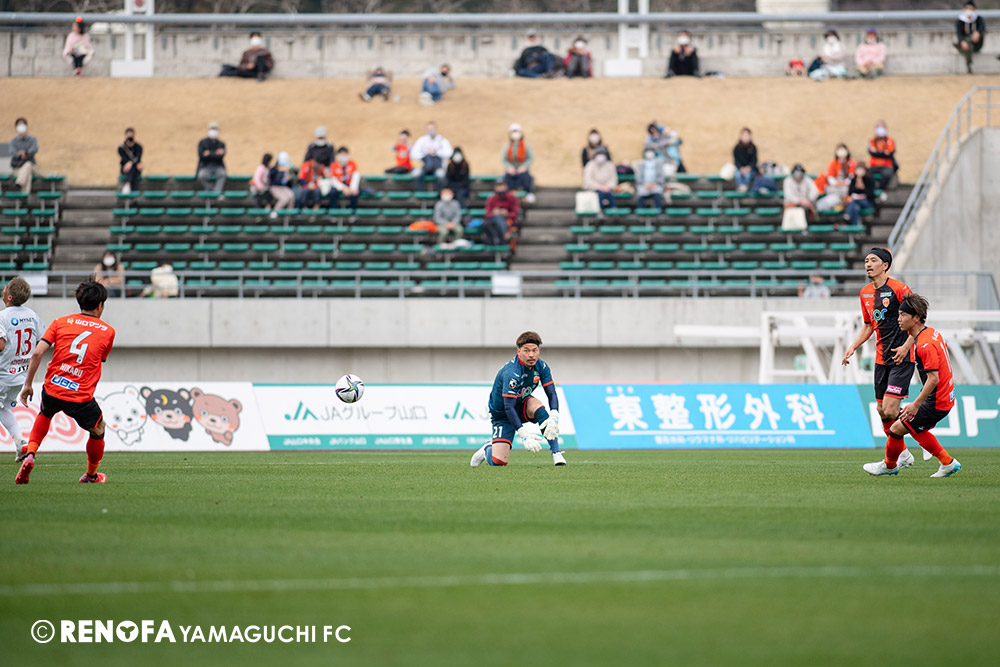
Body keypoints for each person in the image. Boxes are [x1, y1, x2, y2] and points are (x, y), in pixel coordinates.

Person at [15, 280, 115, 485]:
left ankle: (31, 454)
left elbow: (37, 353)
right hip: (79, 397)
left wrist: (28, 385)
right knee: (99, 429)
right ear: (100, 305)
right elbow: (94, 359)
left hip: (53, 387)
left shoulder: (60, 322)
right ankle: (91, 475)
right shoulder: (108, 331)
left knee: (45, 413)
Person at [864, 293, 962, 478]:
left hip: (937, 401)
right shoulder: (932, 333)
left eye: (902, 315)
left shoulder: (924, 345)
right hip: (943, 397)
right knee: (912, 427)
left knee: (895, 430)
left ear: (916, 317)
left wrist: (916, 404)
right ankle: (947, 462)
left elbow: (933, 379)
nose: (898, 319)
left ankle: (890, 466)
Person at [842, 248, 917, 452]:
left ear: (885, 265)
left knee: (891, 410)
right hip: (881, 358)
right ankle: (902, 453)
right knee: (882, 410)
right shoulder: (865, 292)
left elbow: (919, 320)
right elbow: (868, 326)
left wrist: (906, 346)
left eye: (873, 260)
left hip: (901, 357)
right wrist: (853, 346)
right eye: (866, 260)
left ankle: (923, 434)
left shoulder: (900, 289)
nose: (868, 264)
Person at [470, 331, 566, 468]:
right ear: (518, 351)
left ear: (539, 351)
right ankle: (487, 450)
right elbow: (508, 407)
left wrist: (554, 416)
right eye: (526, 350)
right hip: (502, 413)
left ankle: (556, 453)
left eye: (534, 350)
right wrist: (524, 434)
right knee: (498, 462)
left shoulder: (542, 366)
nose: (531, 355)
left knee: (538, 407)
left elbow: (551, 393)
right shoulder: (512, 372)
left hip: (522, 404)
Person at [0, 277, 43, 460]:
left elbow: (1, 345)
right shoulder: (32, 315)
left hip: (3, 373)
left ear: (9, 296)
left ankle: (20, 443)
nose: (3, 290)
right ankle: (20, 443)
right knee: (3, 409)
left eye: (6, 288)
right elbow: (42, 342)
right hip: (21, 375)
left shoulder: (2, 317)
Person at [502, 123, 536, 204]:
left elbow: (530, 158)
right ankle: (510, 195)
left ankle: (527, 194)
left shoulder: (526, 146)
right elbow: (504, 160)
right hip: (511, 170)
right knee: (508, 178)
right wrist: (509, 167)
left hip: (522, 170)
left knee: (525, 177)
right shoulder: (506, 146)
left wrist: (524, 167)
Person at [815, 143, 856, 211]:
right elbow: (830, 176)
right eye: (840, 150)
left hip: (846, 188)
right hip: (835, 188)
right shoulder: (834, 163)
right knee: (825, 201)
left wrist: (844, 183)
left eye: (843, 150)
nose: (842, 152)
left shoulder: (851, 162)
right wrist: (836, 183)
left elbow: (852, 176)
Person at [484, 181, 520, 247]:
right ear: (495, 188)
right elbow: (487, 214)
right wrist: (494, 213)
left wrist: (507, 214)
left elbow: (516, 213)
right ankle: (504, 234)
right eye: (499, 186)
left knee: (499, 218)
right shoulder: (491, 198)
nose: (501, 188)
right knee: (495, 218)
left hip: (509, 222)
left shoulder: (512, 197)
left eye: (502, 185)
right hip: (493, 223)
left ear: (506, 187)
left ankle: (504, 236)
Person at [196, 122, 227, 197]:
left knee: (223, 174)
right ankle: (210, 190)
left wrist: (209, 153)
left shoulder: (221, 143)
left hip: (217, 166)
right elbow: (202, 156)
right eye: (212, 129)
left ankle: (216, 193)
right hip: (205, 166)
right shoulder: (202, 142)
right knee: (201, 175)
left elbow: (220, 156)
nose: (213, 131)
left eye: (215, 129)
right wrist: (215, 153)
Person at [955, 2, 986, 74]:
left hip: (976, 43)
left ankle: (969, 65)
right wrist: (962, 41)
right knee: (968, 44)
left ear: (974, 9)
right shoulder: (960, 20)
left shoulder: (978, 19)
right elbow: (959, 33)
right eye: (967, 8)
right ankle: (969, 65)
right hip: (966, 44)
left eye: (970, 8)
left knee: (970, 41)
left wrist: (977, 32)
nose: (968, 10)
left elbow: (982, 27)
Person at [10, 117, 39, 194]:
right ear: (16, 127)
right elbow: (12, 152)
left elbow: (34, 149)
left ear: (26, 126)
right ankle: (24, 197)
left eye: (22, 125)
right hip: (19, 167)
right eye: (19, 125)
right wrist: (20, 154)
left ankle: (19, 184)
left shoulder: (32, 139)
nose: (21, 127)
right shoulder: (13, 141)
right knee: (27, 174)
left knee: (28, 164)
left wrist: (25, 152)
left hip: (32, 167)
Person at [867, 121, 898, 189]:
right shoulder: (872, 141)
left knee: (887, 175)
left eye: (882, 127)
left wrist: (878, 152)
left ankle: (880, 189)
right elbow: (871, 152)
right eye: (879, 127)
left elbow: (890, 153)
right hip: (874, 166)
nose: (881, 129)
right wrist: (883, 152)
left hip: (886, 166)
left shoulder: (890, 140)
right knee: (867, 175)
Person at [844, 162, 875, 228]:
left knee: (855, 202)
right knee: (856, 207)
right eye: (858, 170)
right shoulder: (854, 180)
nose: (860, 172)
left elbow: (871, 194)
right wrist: (856, 187)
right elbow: (850, 193)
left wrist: (863, 188)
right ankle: (855, 225)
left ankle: (847, 215)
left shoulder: (869, 180)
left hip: (867, 202)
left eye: (861, 170)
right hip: (856, 202)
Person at [329, 147, 360, 211]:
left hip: (350, 185)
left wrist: (353, 187)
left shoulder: (352, 163)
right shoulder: (333, 165)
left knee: (354, 193)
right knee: (332, 193)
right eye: (342, 154)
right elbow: (333, 180)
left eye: (345, 154)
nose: (344, 156)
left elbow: (356, 175)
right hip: (339, 186)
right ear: (338, 155)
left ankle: (352, 211)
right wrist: (343, 188)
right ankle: (335, 211)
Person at [117, 127, 143, 195]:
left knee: (134, 168)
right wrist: (130, 164)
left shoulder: (138, 147)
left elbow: (138, 158)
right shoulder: (121, 148)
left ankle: (128, 184)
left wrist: (131, 163)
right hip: (125, 168)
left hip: (136, 167)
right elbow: (124, 159)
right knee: (133, 169)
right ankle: (134, 193)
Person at [733, 128, 758, 193]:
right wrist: (741, 168)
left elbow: (754, 161)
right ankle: (740, 188)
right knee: (737, 174)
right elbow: (736, 161)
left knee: (747, 175)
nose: (746, 137)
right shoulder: (737, 148)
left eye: (747, 135)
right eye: (744, 135)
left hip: (750, 169)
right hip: (740, 168)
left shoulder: (753, 148)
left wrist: (749, 167)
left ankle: (746, 188)